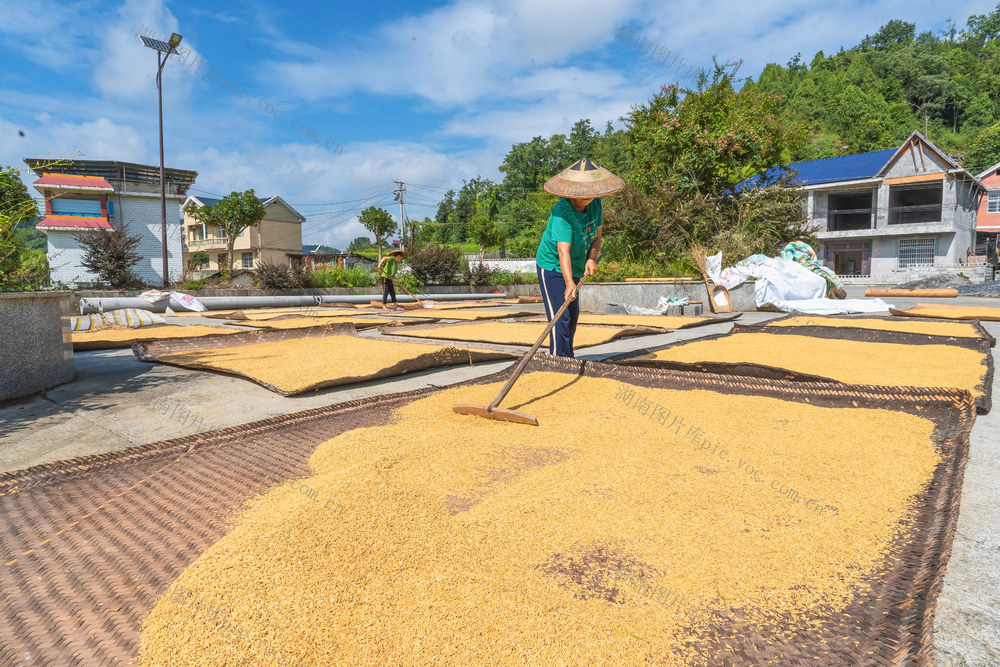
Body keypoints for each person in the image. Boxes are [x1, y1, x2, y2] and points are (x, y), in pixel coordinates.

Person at [535, 158, 625, 357]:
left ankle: (567, 358)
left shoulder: (596, 204)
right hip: (553, 267)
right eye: (583, 195)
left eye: (591, 194)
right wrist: (569, 283)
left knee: (572, 317)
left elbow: (597, 238)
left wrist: (591, 259)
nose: (588, 198)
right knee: (561, 317)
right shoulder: (562, 213)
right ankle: (559, 362)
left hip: (574, 267)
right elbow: (562, 252)